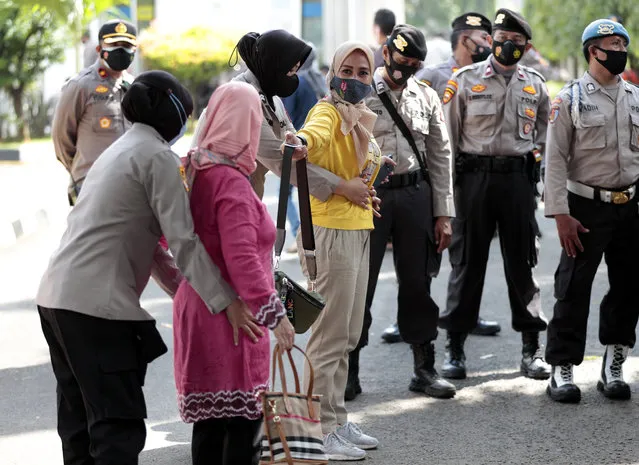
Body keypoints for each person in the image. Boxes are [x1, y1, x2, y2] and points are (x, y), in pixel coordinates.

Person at [36, 70, 257, 465]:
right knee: (116, 428)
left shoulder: (118, 151)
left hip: (56, 300)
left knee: (80, 425)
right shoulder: (158, 158)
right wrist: (227, 302)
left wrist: (188, 294)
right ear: (172, 111)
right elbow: (183, 241)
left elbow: (155, 250)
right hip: (95, 310)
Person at [173, 82, 296, 464]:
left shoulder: (199, 170)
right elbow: (242, 259)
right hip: (233, 320)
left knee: (210, 428)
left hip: (202, 308)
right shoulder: (229, 183)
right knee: (241, 431)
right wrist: (277, 317)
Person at [346, 24, 457, 403]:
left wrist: (443, 213)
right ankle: (349, 367)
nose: (404, 69)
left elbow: (440, 155)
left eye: (413, 64)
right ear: (386, 52)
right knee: (360, 283)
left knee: (417, 283)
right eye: (400, 60)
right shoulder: (358, 92)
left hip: (414, 194)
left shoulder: (425, 96)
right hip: (368, 197)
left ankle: (424, 368)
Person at [439, 9, 551, 381]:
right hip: (473, 182)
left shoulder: (535, 83)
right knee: (467, 262)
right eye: (501, 37)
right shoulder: (464, 80)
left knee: (523, 262)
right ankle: (455, 348)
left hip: (517, 181)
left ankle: (531, 349)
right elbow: (448, 142)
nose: (507, 45)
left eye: (516, 41)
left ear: (526, 46)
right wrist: (447, 197)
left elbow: (542, 138)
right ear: (492, 39)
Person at [287, 41, 384, 461]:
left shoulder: (358, 118)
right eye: (349, 69)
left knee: (347, 334)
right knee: (328, 336)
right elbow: (310, 140)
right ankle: (317, 430)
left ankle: (336, 418)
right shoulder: (327, 113)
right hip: (331, 232)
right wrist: (304, 142)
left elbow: (351, 170)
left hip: (356, 227)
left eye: (365, 72)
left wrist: (361, 192)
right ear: (332, 73)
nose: (357, 79)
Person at [544, 19, 639, 404]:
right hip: (584, 206)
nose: (619, 49)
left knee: (629, 286)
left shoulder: (635, 97)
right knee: (573, 287)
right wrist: (561, 214)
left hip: (630, 205)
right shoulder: (568, 100)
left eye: (622, 43)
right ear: (593, 51)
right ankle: (562, 368)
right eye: (611, 44)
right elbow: (554, 161)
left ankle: (614, 363)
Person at [194, 30, 378, 216]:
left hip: (244, 199)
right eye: (290, 71)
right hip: (218, 201)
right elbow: (280, 158)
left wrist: (358, 185)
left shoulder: (272, 97)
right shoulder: (241, 98)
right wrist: (343, 187)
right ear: (273, 65)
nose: (293, 78)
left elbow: (294, 143)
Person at [413, 12, 501, 339]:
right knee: (423, 254)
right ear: (464, 39)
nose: (489, 45)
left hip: (471, 178)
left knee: (469, 254)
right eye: (484, 38)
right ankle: (408, 317)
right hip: (437, 178)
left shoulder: (488, 75)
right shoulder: (432, 76)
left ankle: (466, 315)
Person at [52, 19, 136, 206]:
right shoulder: (80, 86)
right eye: (114, 44)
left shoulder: (135, 88)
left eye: (127, 45)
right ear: (99, 49)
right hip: (91, 189)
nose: (121, 50)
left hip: (129, 189)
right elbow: (61, 138)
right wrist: (80, 169)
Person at [282, 43, 329, 253]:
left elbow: (286, 113)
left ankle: (300, 234)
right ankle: (311, 233)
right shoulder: (318, 78)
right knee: (309, 189)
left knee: (286, 190)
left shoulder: (297, 81)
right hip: (318, 143)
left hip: (299, 140)